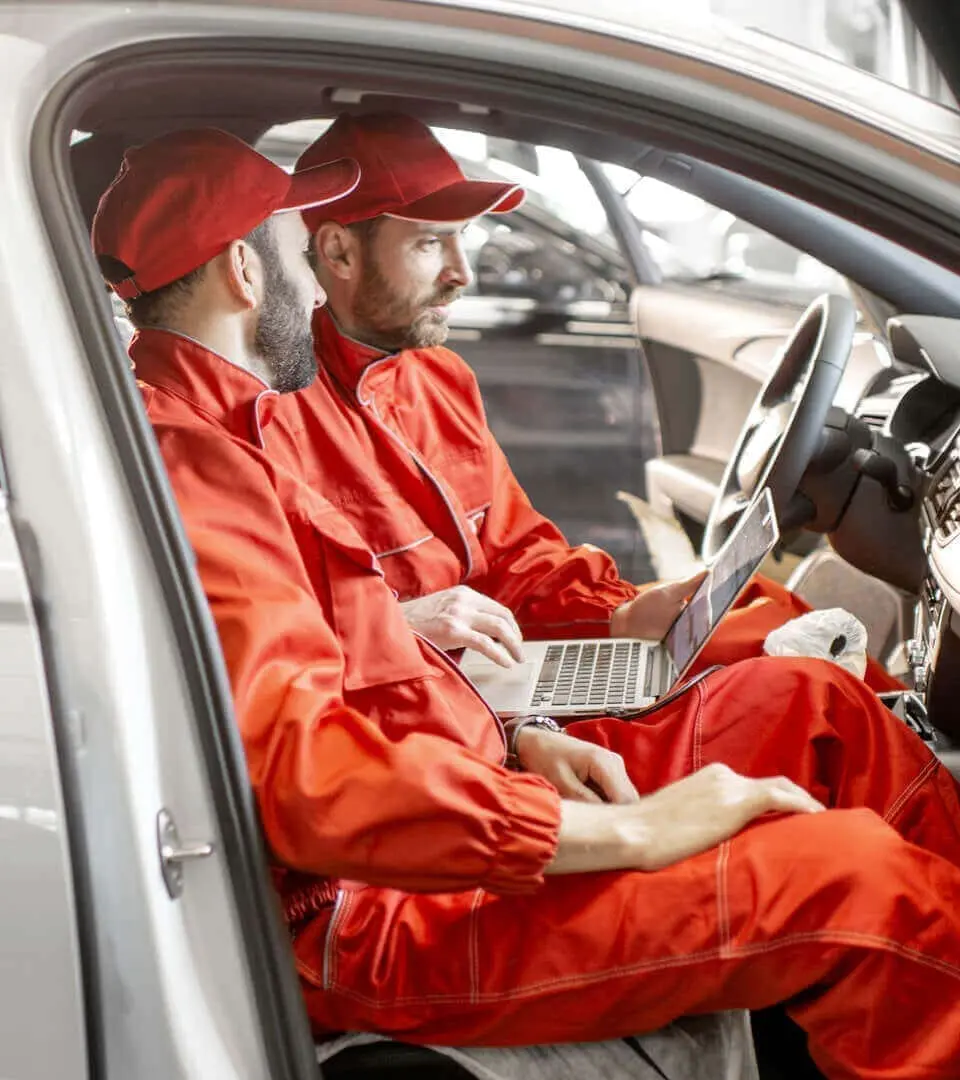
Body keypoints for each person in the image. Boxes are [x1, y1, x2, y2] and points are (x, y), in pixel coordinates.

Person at [93, 126, 960, 1080]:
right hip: (377, 907)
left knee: (820, 722)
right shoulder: (200, 461)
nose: (318, 278)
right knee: (860, 881)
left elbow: (359, 667)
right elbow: (308, 777)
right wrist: (621, 830)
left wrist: (519, 738)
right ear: (244, 275)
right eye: (304, 250)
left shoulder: (225, 430)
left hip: (443, 815)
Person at [290, 111, 900, 689]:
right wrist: (404, 627)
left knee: (767, 612)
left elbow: (516, 557)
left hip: (508, 668)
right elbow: (281, 638)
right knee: (807, 696)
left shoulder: (438, 377)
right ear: (340, 252)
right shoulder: (272, 415)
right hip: (443, 702)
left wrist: (619, 614)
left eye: (463, 241)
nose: (462, 273)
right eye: (430, 245)